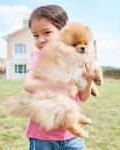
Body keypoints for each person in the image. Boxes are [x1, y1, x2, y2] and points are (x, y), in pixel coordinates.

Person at [24, 5, 98, 150]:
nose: (41, 40)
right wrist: (63, 86)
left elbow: (82, 97)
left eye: (47, 33)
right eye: (36, 35)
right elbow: (28, 84)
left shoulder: (77, 57)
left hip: (72, 137)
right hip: (43, 135)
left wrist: (88, 81)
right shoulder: (39, 56)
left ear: (64, 32)